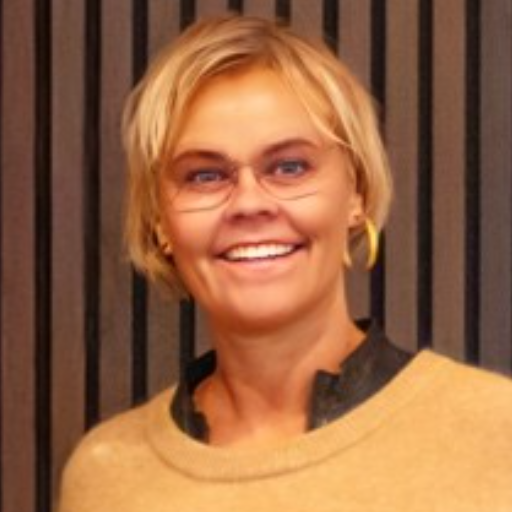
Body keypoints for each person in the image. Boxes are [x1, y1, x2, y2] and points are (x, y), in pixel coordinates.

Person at [58, 15, 512, 512]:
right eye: (205, 175)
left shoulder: (496, 434)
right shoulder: (104, 477)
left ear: (356, 192)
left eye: (290, 167)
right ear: (160, 221)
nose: (249, 203)